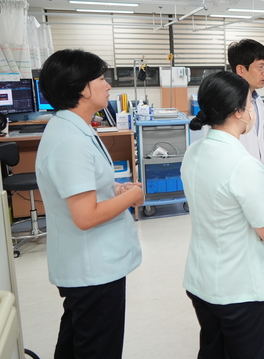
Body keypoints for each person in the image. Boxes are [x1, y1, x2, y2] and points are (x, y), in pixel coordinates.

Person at [35, 49, 144, 359]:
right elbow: (85, 216)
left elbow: (84, 187)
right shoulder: (70, 141)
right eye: (101, 79)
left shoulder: (73, 128)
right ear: (81, 88)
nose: (108, 85)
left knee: (75, 343)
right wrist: (132, 196)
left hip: (89, 266)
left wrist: (115, 188)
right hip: (92, 270)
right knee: (97, 349)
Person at [182, 71, 264, 359]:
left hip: (201, 280)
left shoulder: (194, 152)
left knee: (212, 349)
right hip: (239, 289)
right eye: (249, 104)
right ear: (239, 112)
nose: (252, 110)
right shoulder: (243, 165)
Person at [227, 38, 264, 321]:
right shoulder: (231, 104)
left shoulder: (257, 101)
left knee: (261, 248)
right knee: (245, 246)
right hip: (242, 185)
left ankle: (260, 303)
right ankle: (245, 307)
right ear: (240, 69)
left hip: (259, 182)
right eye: (260, 67)